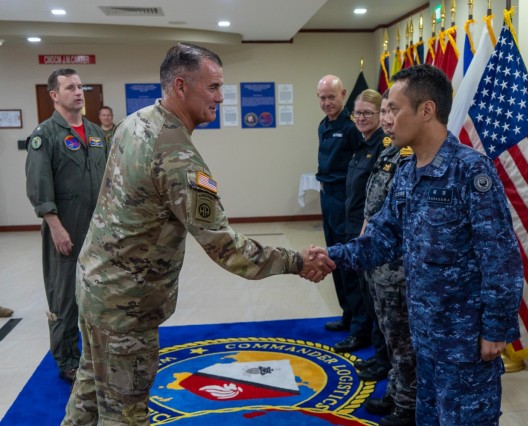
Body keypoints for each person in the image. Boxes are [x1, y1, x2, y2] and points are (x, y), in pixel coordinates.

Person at [61, 43, 335, 425]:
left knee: (89, 393)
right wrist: (297, 261)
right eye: (214, 87)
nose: (221, 97)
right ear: (180, 86)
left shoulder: (133, 122)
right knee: (123, 413)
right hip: (127, 309)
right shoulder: (178, 158)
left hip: (95, 288)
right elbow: (226, 248)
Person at [313, 64, 524, 425]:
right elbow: (382, 239)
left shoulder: (470, 171)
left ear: (426, 110)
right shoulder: (408, 173)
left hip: (467, 344)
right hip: (423, 337)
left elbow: (501, 258)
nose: (387, 118)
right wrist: (328, 257)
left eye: (394, 108)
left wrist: (495, 329)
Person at [25, 68, 109, 385]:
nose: (78, 92)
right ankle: (67, 361)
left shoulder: (97, 133)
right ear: (54, 95)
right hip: (66, 228)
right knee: (64, 300)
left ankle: (96, 353)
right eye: (70, 87)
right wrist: (55, 226)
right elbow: (38, 186)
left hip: (98, 230)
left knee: (98, 295)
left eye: (80, 86)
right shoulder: (44, 136)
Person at [359, 90, 416, 425]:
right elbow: (372, 209)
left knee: (403, 339)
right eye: (382, 111)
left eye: (392, 110)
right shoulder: (389, 153)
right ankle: (396, 391)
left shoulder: (409, 157)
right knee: (389, 333)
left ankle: (407, 406)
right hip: (377, 259)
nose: (385, 118)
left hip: (396, 267)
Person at [315, 75, 369, 352]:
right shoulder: (324, 125)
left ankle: (361, 326)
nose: (326, 102)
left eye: (331, 96)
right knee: (334, 258)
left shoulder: (351, 128)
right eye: (322, 97)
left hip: (345, 201)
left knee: (349, 263)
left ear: (343, 94)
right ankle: (348, 314)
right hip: (327, 198)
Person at [345, 89, 388, 377]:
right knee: (367, 298)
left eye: (367, 113)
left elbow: (378, 201)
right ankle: (378, 354)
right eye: (357, 113)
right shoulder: (362, 144)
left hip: (372, 237)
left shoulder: (384, 147)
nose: (360, 117)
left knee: (380, 305)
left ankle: (385, 361)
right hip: (355, 231)